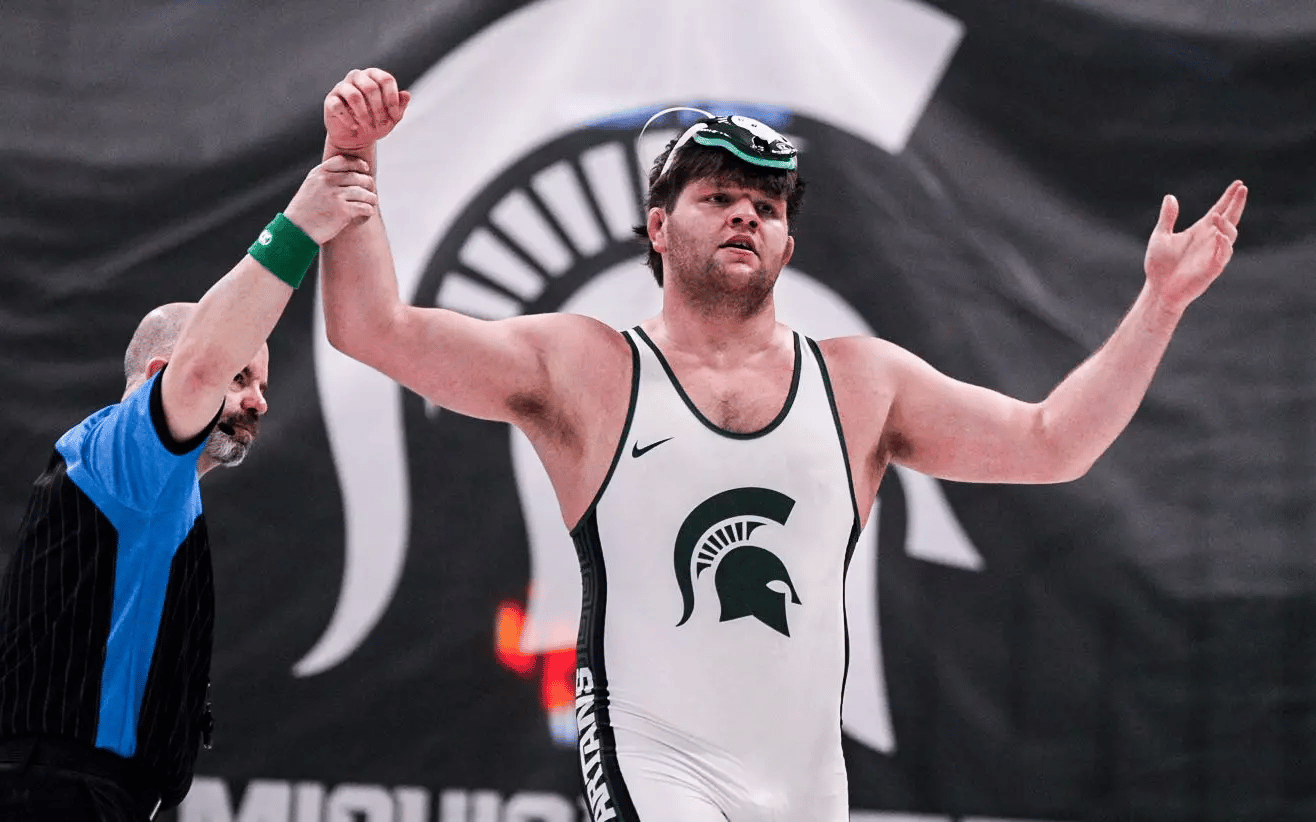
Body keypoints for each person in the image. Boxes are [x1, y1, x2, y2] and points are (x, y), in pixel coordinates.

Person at [316, 68, 1247, 822]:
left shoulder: (862, 384)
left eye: (767, 207)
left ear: (789, 245)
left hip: (805, 784)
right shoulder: (585, 368)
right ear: (657, 228)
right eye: (720, 196)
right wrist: (352, 156)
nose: (746, 216)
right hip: (652, 755)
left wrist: (1161, 304)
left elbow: (1053, 443)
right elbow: (371, 329)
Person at [0, 154, 377, 821]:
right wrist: (300, 227)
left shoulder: (158, 492)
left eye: (261, 382)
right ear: (157, 376)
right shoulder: (121, 457)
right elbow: (200, 367)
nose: (259, 401)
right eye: (241, 377)